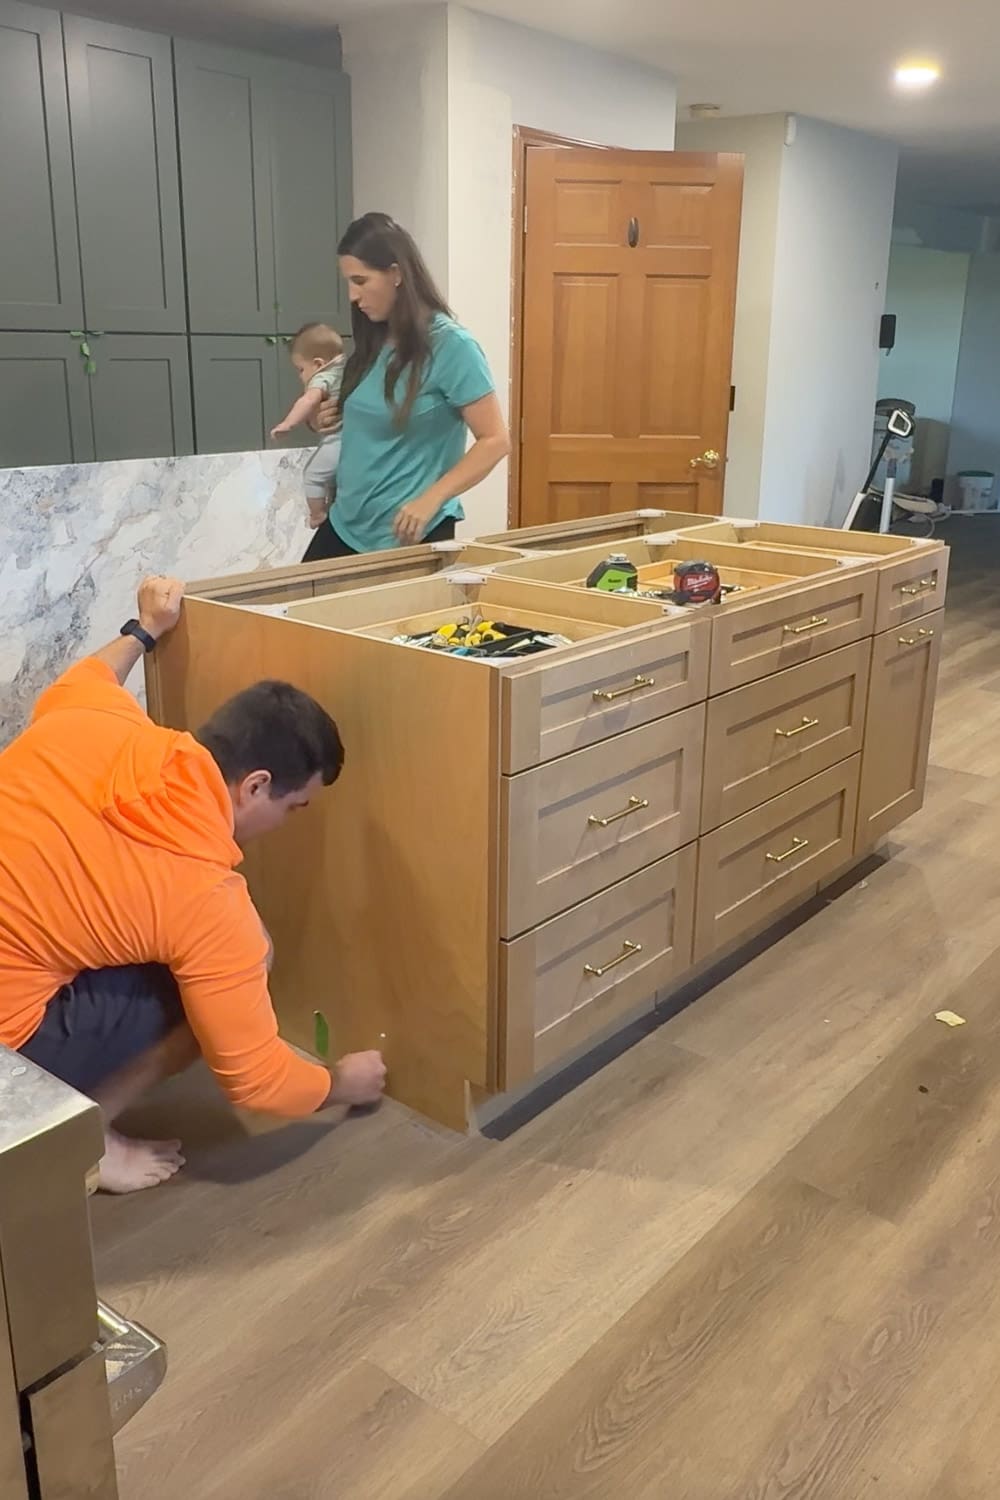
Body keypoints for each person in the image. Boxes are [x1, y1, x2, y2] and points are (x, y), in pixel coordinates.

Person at [0, 576, 386, 1194]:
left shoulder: (94, 719)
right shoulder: (203, 899)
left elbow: (88, 676)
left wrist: (146, 628)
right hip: (6, 1069)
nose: (288, 825)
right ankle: (82, 1144)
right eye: (296, 808)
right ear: (256, 785)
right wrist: (341, 1082)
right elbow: (255, 1080)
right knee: (220, 985)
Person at [302, 212, 510, 562]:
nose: (353, 295)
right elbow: (367, 420)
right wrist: (322, 419)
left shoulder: (451, 346)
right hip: (346, 524)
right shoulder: (373, 341)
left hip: (409, 534)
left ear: (396, 274)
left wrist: (432, 498)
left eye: (361, 281)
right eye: (348, 283)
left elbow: (496, 440)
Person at [270, 322, 346, 532]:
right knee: (332, 479)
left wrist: (288, 423)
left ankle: (317, 515)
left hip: (339, 440)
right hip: (352, 442)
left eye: (301, 369)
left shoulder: (323, 376)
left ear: (318, 363)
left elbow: (308, 400)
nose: (300, 376)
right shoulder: (347, 366)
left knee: (312, 475)